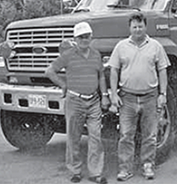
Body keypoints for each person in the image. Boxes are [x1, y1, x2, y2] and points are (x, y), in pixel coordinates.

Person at [46, 22, 110, 184]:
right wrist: (63, 85)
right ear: (75, 39)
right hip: (75, 101)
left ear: (91, 37)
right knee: (73, 137)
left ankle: (95, 173)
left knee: (95, 137)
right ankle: (75, 170)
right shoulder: (68, 55)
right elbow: (50, 71)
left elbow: (101, 76)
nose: (84, 39)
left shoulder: (96, 54)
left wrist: (104, 95)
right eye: (81, 37)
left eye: (87, 36)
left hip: (94, 101)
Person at [108, 13, 170, 181]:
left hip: (150, 96)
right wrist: (114, 94)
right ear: (130, 28)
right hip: (127, 98)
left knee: (150, 135)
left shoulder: (156, 46)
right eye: (134, 26)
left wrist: (162, 94)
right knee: (126, 135)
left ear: (145, 27)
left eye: (140, 26)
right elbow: (113, 70)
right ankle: (125, 169)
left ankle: (148, 165)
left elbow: (162, 70)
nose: (137, 29)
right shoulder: (121, 46)